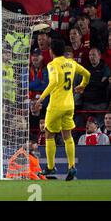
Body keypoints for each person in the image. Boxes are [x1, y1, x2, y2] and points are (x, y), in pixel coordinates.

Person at [35, 38, 91, 181]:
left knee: (49, 134)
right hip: (69, 105)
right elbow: (87, 74)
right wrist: (82, 85)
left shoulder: (52, 64)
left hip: (56, 106)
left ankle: (50, 166)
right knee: (68, 136)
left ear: (51, 51)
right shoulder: (71, 63)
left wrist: (41, 99)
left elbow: (53, 82)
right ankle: (72, 167)